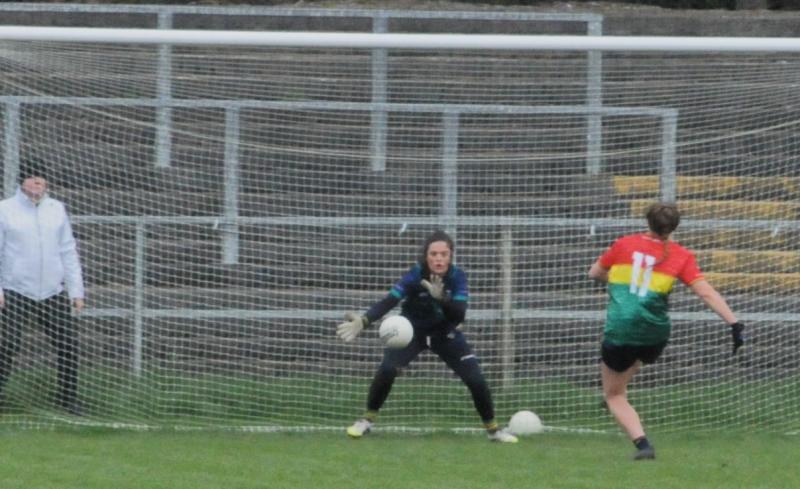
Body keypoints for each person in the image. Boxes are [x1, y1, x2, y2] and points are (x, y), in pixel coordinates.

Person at [588, 202, 744, 460]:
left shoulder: (624, 244)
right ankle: (621, 392)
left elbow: (594, 273)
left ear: (647, 221)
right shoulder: (682, 255)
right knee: (634, 358)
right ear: (674, 227)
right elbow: (705, 292)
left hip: (622, 329)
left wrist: (621, 283)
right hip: (656, 334)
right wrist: (734, 324)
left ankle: (643, 445)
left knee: (614, 395)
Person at [336, 230, 518, 443]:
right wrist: (364, 320)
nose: (439, 259)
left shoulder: (457, 277)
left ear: (450, 256)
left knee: (475, 379)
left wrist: (441, 299)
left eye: (444, 254)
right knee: (387, 369)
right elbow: (390, 300)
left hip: (445, 333)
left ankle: (494, 431)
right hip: (411, 333)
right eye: (434, 254)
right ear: (426, 256)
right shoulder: (415, 275)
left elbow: (459, 314)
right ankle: (366, 421)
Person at [0, 157, 86, 415]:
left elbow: (68, 250)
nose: (37, 181)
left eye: (41, 177)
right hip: (16, 289)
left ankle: (67, 398)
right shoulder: (5, 210)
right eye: (32, 177)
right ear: (22, 182)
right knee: (9, 343)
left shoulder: (57, 209)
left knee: (68, 343)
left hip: (52, 291)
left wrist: (76, 291)